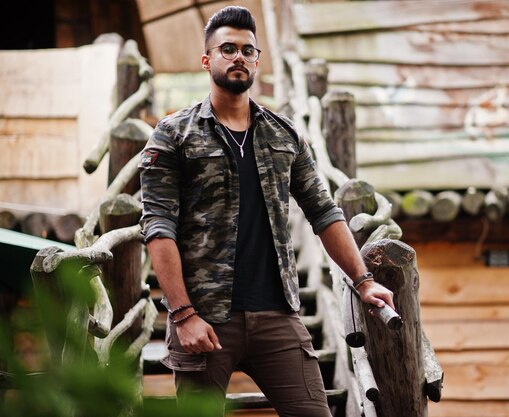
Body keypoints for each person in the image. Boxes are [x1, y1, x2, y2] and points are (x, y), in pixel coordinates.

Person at [138, 6, 394, 417]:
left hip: (277, 315)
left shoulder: (285, 133)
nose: (238, 56)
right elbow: (158, 228)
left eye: (247, 50)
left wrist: (363, 282)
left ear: (257, 60)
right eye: (227, 49)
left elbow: (324, 212)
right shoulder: (173, 135)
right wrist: (183, 314)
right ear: (207, 60)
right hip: (205, 317)